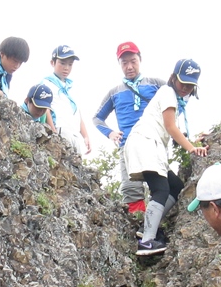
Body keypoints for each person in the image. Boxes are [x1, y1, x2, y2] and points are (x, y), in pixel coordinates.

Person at [123, 59, 208, 256]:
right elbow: (170, 127)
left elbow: (173, 130)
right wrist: (192, 149)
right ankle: (147, 241)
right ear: (173, 78)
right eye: (182, 82)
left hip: (149, 145)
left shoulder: (173, 98)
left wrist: (193, 141)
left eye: (189, 85)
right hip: (146, 143)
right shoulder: (167, 92)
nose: (185, 88)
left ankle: (147, 228)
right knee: (160, 189)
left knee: (175, 186)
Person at [92, 42, 164, 213]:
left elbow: (177, 101)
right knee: (131, 189)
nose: (129, 67)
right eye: (124, 63)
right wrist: (110, 133)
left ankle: (157, 223)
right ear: (119, 64)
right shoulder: (114, 93)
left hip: (153, 142)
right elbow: (97, 118)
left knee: (161, 186)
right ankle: (138, 223)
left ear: (140, 59)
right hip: (128, 146)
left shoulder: (156, 84)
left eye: (133, 61)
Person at [42, 45, 91, 155]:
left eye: (70, 64)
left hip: (75, 134)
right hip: (61, 130)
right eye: (62, 63)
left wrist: (85, 136)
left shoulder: (71, 87)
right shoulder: (46, 84)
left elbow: (77, 113)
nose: (66, 68)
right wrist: (54, 133)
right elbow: (45, 109)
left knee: (76, 165)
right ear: (52, 63)